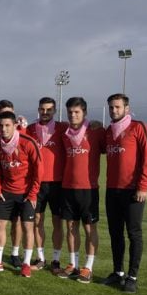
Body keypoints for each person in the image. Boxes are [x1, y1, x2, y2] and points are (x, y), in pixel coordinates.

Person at [103, 94, 147, 293]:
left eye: (117, 107)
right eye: (111, 107)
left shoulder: (138, 127)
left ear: (127, 108)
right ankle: (118, 273)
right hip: (112, 190)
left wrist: (143, 186)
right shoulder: (108, 131)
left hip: (133, 191)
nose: (113, 111)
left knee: (134, 233)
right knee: (115, 234)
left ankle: (132, 277)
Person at [0, 112, 42, 277]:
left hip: (26, 193)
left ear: (15, 125)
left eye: (7, 125)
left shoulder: (27, 142)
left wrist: (32, 194)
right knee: (0, 225)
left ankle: (26, 264)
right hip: (6, 192)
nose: (4, 129)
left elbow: (39, 170)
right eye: (1, 125)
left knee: (27, 227)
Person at [58, 97, 105, 282]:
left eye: (77, 112)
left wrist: (99, 125)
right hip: (67, 187)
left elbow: (110, 143)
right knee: (71, 227)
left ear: (84, 113)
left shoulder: (96, 131)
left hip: (88, 188)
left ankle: (88, 267)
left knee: (89, 228)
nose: (73, 115)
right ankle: (73, 264)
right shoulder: (64, 132)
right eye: (70, 112)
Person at [26, 97, 67, 272]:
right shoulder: (30, 129)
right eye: (42, 109)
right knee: (37, 221)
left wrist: (94, 123)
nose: (45, 112)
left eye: (49, 110)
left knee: (58, 222)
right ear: (38, 109)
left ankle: (56, 260)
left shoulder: (62, 128)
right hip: (37, 183)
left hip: (58, 183)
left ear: (55, 111)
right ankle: (40, 258)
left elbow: (81, 128)